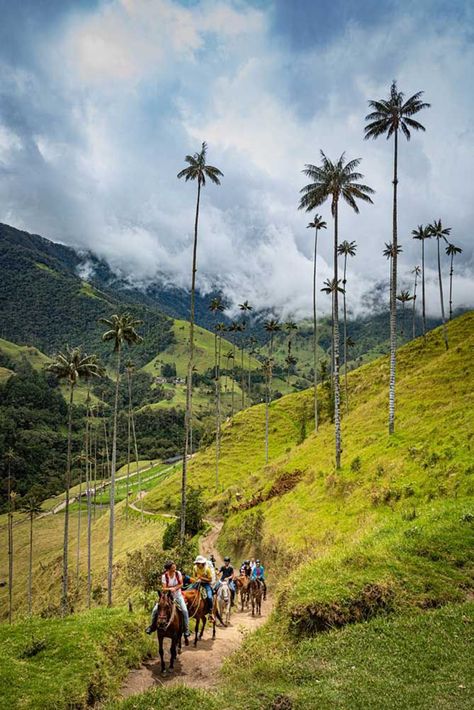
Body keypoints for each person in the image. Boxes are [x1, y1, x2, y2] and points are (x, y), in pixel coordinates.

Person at [146, 560, 191, 642]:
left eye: (174, 565)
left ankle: (186, 629)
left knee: (184, 610)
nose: (175, 567)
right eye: (173, 566)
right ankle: (152, 626)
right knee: (155, 610)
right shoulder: (164, 576)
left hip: (178, 596)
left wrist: (175, 588)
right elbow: (164, 588)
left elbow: (181, 584)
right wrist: (170, 589)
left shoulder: (178, 574)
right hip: (167, 597)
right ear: (169, 569)